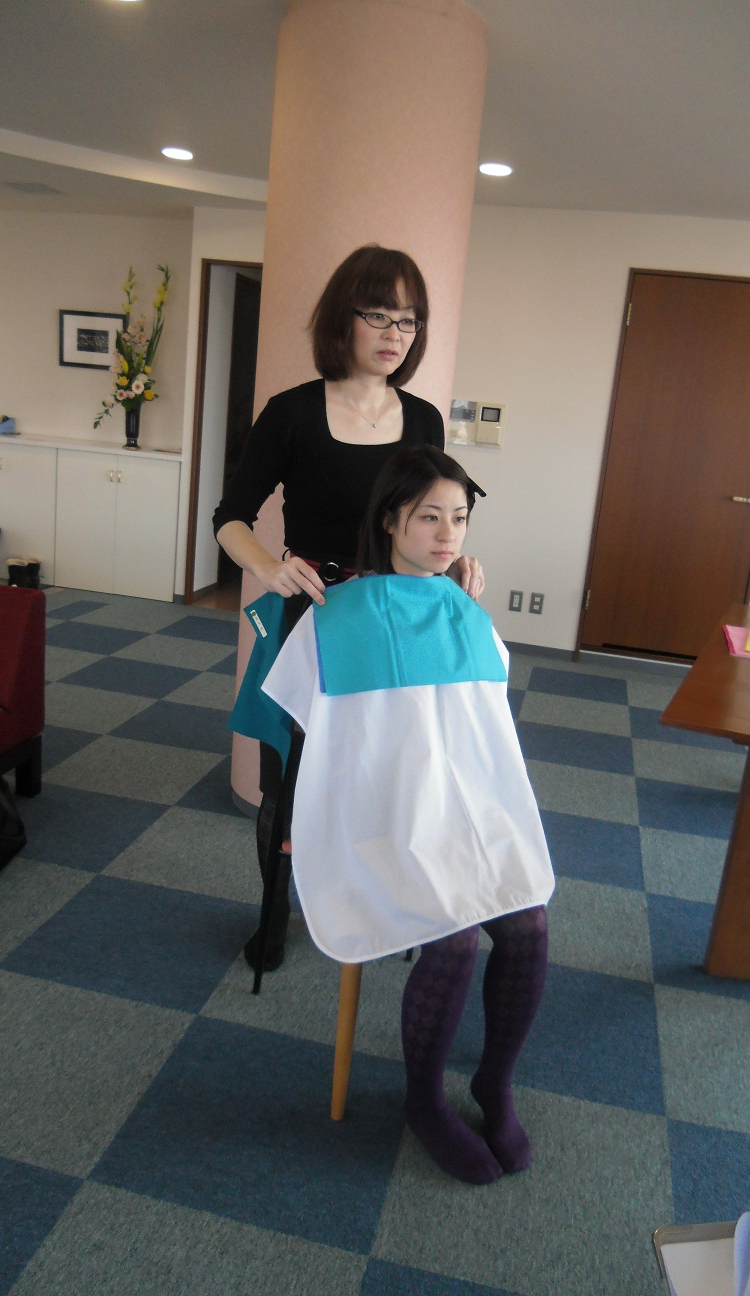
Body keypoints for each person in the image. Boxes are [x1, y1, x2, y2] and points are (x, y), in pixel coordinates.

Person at [261, 447, 555, 1185]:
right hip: (379, 817)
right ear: (391, 520)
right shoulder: (335, 616)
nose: (447, 534)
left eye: (459, 518)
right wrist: (296, 815)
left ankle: (494, 1082)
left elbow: (481, 734)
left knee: (528, 922)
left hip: (463, 807)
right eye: (429, 517)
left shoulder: (466, 613)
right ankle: (423, 1100)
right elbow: (305, 730)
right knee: (453, 939)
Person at [213, 246, 483, 969]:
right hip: (317, 617)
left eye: (409, 320)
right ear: (344, 318)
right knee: (293, 777)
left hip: (394, 621)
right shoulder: (292, 412)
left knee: (387, 774)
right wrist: (270, 567)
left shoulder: (423, 418)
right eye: (378, 315)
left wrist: (451, 558)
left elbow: (424, 518)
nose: (395, 334)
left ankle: (375, 905)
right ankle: (275, 914)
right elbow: (230, 517)